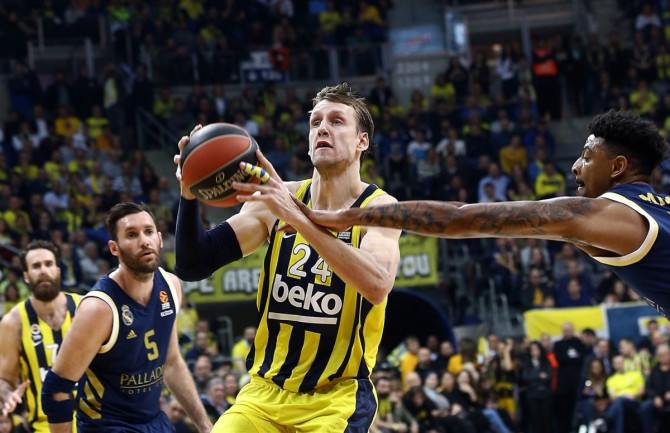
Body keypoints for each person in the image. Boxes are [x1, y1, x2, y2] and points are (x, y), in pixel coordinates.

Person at [173, 83, 402, 432]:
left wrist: (298, 218)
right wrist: (189, 194)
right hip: (264, 394)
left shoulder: (380, 208)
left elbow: (377, 284)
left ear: (362, 141)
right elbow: (193, 264)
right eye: (315, 122)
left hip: (335, 399)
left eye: (336, 121)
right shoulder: (276, 199)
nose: (322, 128)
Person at [292, 109, 670, 317]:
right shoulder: (656, 208)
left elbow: (460, 218)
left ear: (618, 167)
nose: (574, 167)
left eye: (586, 157)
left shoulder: (607, 214)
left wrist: (352, 215)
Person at [40, 203, 212, 433]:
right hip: (107, 425)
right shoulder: (99, 308)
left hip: (154, 421)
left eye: (149, 232)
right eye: (132, 235)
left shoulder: (171, 286)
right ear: (114, 248)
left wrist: (205, 426)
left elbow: (171, 362)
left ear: (160, 239)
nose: (144, 241)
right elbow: (55, 390)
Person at [0, 241, 80, 433]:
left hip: (92, 421)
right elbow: (5, 379)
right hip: (44, 426)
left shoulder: (84, 307)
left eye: (48, 264)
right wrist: (7, 395)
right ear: (26, 276)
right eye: (36, 266)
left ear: (58, 271)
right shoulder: (13, 322)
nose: (44, 270)